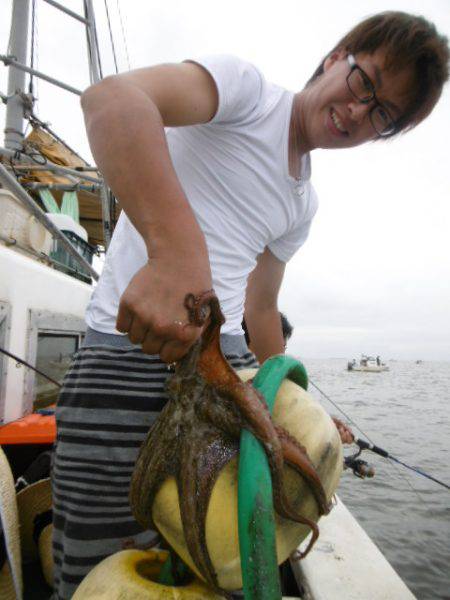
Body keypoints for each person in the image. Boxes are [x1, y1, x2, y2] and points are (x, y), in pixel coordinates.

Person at [51, 11, 449, 599]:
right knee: (98, 572)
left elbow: (262, 308)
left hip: (229, 377)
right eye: (366, 83)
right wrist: (176, 253)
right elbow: (112, 100)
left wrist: (297, 401)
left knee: (218, 568)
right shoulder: (246, 92)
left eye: (383, 115)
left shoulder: (302, 203)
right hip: (127, 360)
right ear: (338, 56)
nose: (360, 113)